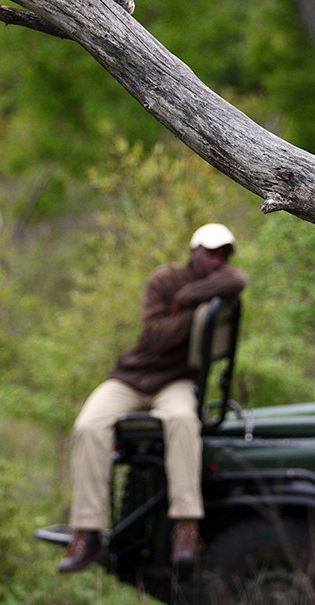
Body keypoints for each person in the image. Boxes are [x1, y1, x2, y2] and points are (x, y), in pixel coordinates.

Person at [58, 223, 248, 574]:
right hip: (132, 377)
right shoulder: (164, 280)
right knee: (88, 425)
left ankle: (187, 527)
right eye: (210, 253)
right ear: (194, 251)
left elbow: (238, 279)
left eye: (223, 255)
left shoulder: (213, 286)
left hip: (174, 381)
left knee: (182, 421)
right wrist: (197, 313)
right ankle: (87, 531)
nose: (217, 262)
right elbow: (156, 337)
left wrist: (187, 303)